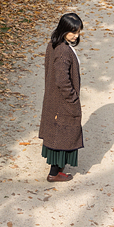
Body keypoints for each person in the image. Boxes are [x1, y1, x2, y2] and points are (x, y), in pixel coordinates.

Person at [38, 12, 84, 183]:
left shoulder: (53, 44)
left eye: (78, 32)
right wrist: (72, 98)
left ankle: (57, 168)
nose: (76, 36)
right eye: (73, 32)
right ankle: (54, 173)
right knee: (62, 134)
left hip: (53, 100)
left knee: (58, 132)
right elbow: (62, 80)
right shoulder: (64, 51)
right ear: (64, 29)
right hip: (62, 101)